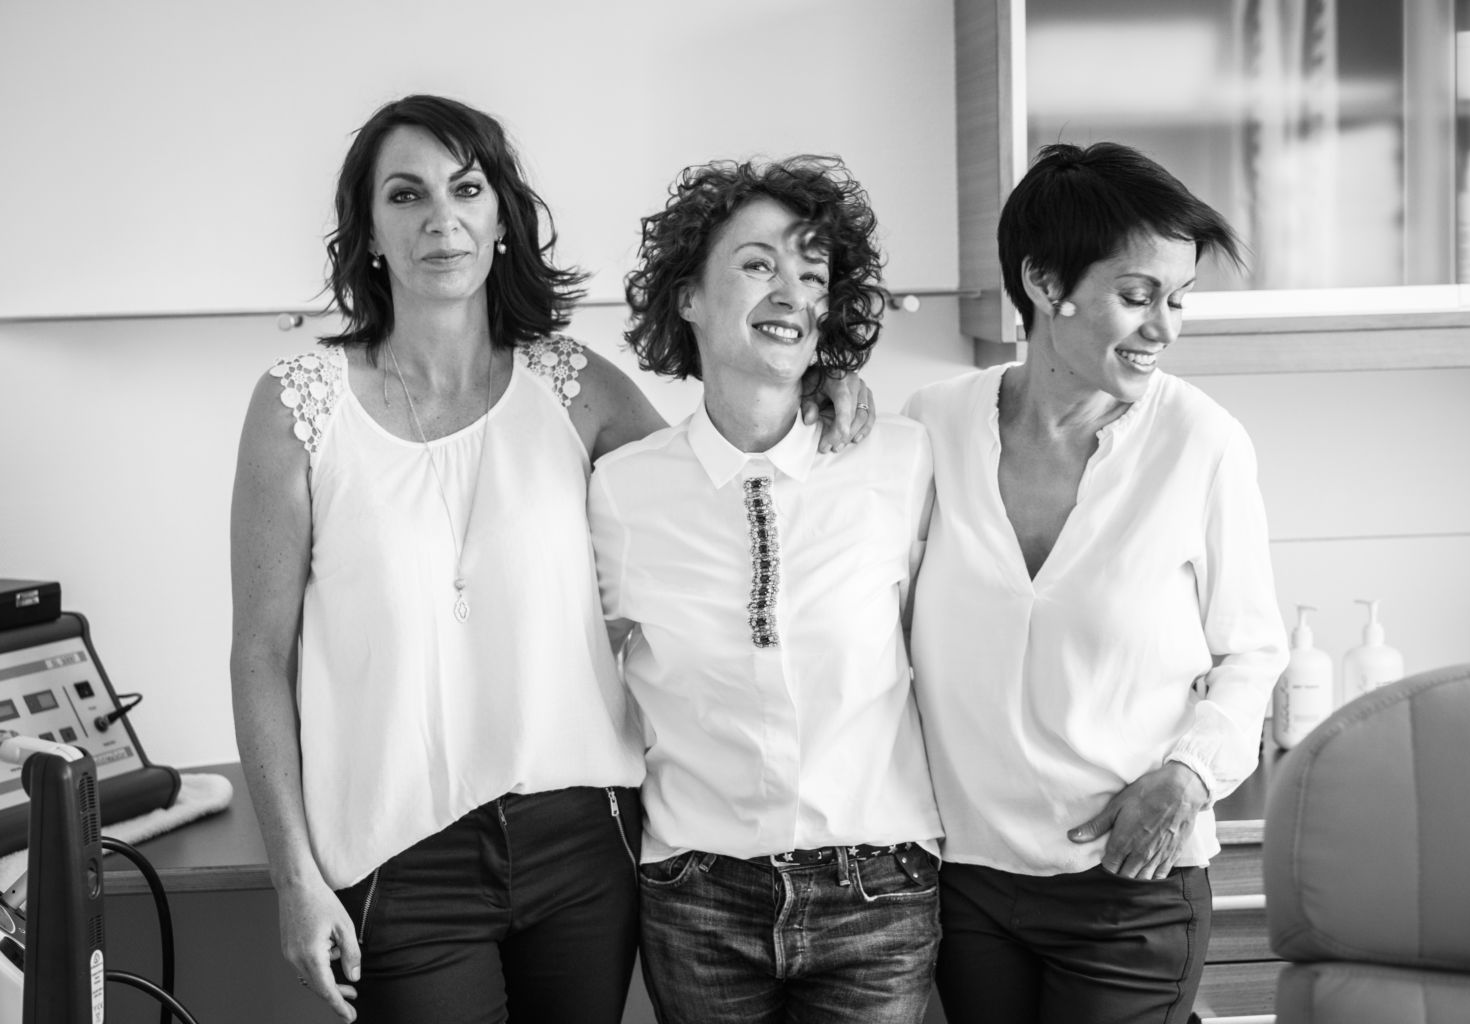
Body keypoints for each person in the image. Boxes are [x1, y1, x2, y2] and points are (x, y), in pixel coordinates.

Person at [228, 96, 873, 1024]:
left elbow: (719, 492)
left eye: (467, 190)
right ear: (367, 233)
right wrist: (293, 876)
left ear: (502, 220)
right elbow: (261, 655)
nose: (441, 219)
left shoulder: (573, 387)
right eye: (406, 195)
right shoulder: (299, 406)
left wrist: (816, 379)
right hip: (399, 853)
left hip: (583, 841)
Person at [902, 142, 1288, 1024]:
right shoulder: (932, 424)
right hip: (967, 884)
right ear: (1045, 282)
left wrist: (1190, 776)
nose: (1165, 328)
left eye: (1178, 298)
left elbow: (1253, 651)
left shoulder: (1201, 442)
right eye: (1138, 295)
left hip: (1130, 884)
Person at [588, 156, 943, 1024]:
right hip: (698, 896)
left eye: (813, 275)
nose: (791, 291)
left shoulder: (901, 461)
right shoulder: (622, 491)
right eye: (758, 264)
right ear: (687, 297)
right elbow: (586, 685)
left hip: (878, 894)